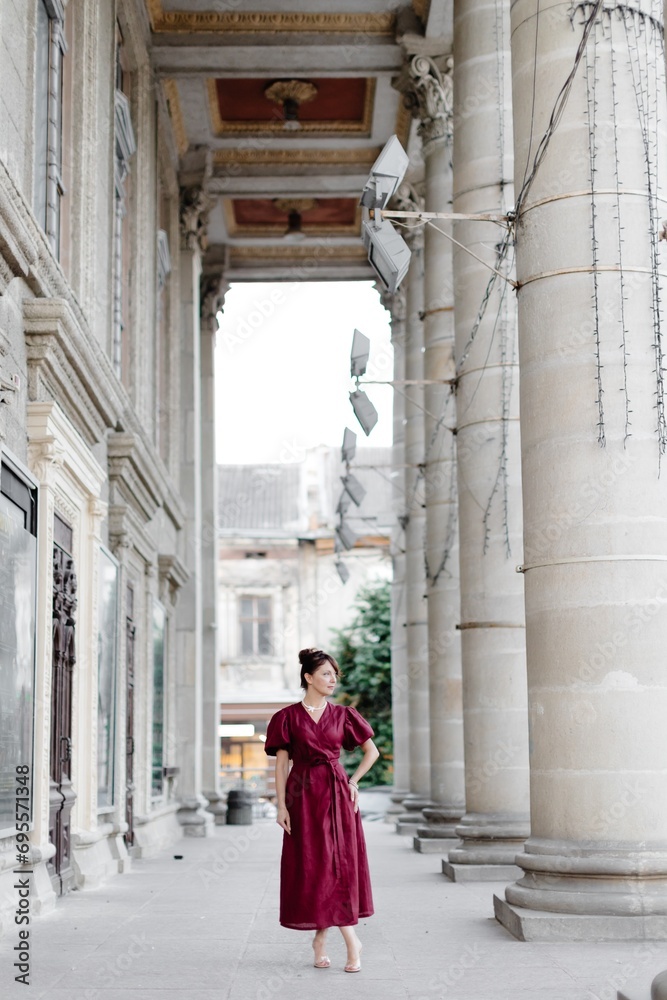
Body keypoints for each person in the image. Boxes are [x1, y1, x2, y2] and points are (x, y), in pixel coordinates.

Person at [264, 647, 380, 973]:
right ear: (308, 678)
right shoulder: (286, 717)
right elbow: (282, 764)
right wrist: (281, 805)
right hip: (303, 798)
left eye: (334, 674)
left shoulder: (344, 715)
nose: (333, 680)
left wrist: (354, 781)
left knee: (339, 865)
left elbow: (372, 752)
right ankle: (324, 938)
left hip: (338, 796)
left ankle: (347, 940)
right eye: (326, 674)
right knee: (314, 867)